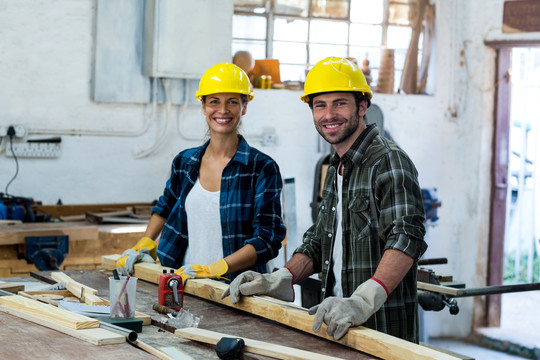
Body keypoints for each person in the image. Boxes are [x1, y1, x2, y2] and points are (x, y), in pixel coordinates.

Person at [222, 57, 427, 343]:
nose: (329, 114)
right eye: (320, 105)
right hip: (334, 324)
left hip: (381, 331)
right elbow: (320, 241)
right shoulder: (335, 166)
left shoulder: (389, 161)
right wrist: (281, 278)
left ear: (363, 106)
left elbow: (406, 238)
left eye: (340, 103)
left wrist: (362, 302)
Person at [116, 62, 287, 283]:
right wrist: (145, 243)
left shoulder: (261, 168)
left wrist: (216, 268)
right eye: (214, 102)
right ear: (204, 106)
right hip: (183, 282)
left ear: (244, 107)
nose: (223, 110)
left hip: (236, 289)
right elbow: (164, 206)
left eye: (232, 102)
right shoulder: (185, 161)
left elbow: (268, 239)